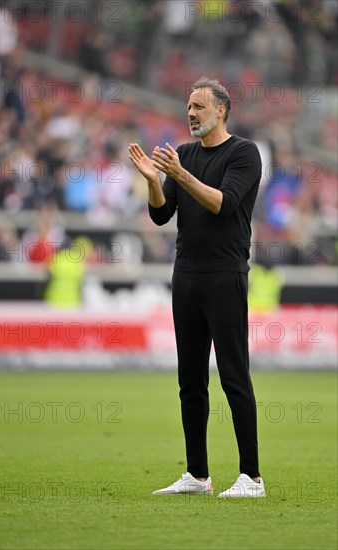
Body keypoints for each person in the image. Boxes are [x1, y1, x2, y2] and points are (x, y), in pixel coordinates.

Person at [129, 77, 265, 498]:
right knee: (190, 379)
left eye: (199, 107)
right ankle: (198, 475)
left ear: (221, 110)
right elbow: (160, 215)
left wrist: (179, 174)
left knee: (233, 375)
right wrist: (155, 180)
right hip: (186, 273)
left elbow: (223, 203)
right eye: (188, 106)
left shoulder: (243, 153)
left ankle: (251, 477)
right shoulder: (182, 155)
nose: (190, 113)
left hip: (225, 274)